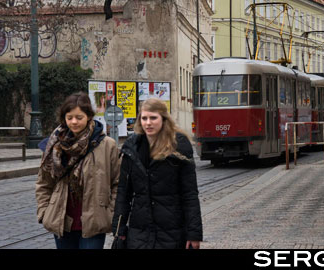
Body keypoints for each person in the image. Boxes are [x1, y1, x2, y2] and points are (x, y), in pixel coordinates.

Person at [112, 98, 202, 249]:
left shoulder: (179, 146)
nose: (148, 123)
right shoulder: (131, 147)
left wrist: (194, 233)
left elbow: (190, 194)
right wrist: (118, 229)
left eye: (153, 118)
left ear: (163, 119)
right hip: (139, 230)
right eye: (144, 118)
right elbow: (124, 193)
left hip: (171, 230)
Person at [35, 92, 120, 249]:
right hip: (62, 220)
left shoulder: (107, 145)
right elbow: (44, 183)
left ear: (89, 116)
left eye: (79, 117)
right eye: (70, 117)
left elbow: (117, 182)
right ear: (64, 118)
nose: (74, 122)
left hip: (94, 222)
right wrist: (44, 212)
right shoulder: (54, 145)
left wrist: (110, 213)